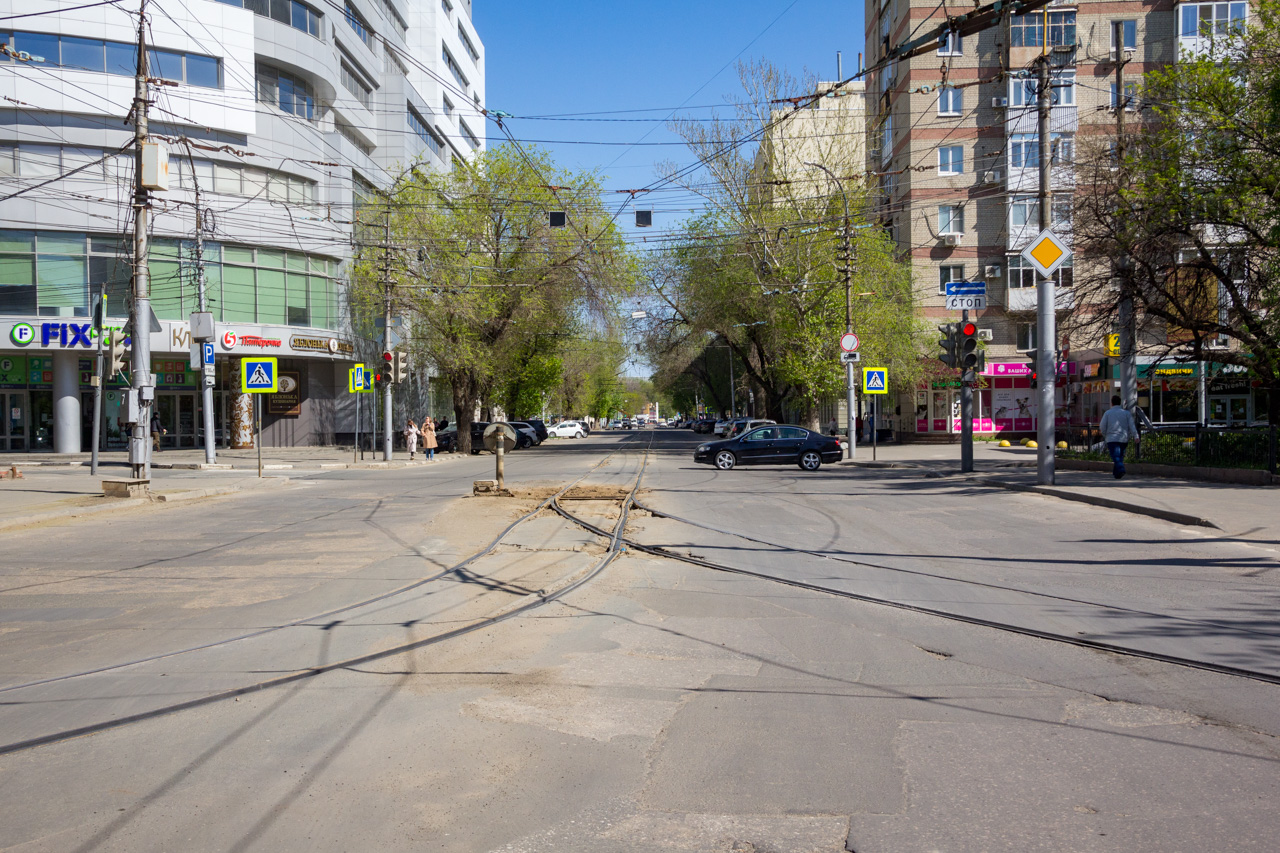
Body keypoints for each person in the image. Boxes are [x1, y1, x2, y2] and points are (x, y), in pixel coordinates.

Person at [1099, 395, 1139, 479]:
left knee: (1115, 456)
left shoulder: (1108, 413)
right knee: (1120, 456)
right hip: (1123, 438)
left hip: (1111, 438)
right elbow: (1131, 425)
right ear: (1120, 403)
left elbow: (1102, 426)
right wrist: (1136, 436)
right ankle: (1116, 474)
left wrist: (1105, 434)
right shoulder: (1126, 413)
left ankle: (1121, 469)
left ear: (1112, 403)